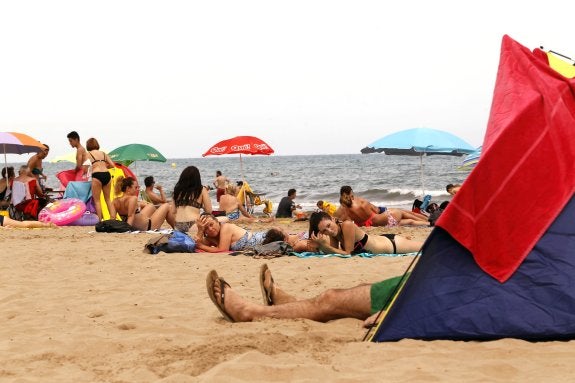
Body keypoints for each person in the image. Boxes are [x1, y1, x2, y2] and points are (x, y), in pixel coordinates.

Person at [206, 264, 405, 326]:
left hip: (419, 292)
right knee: (361, 289)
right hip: (422, 283)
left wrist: (395, 310)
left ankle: (250, 313)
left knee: (331, 299)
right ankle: (290, 303)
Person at [308, 211, 423, 255]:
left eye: (328, 225)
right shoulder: (335, 233)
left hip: (393, 244)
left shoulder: (347, 225)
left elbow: (348, 253)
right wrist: (320, 245)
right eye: (324, 231)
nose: (329, 230)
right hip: (381, 240)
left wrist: (324, 246)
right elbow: (334, 253)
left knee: (427, 246)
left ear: (333, 219)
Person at [336, 186, 429, 227]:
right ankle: (429, 221)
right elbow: (376, 211)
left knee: (410, 222)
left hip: (385, 225)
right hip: (386, 217)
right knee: (408, 214)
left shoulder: (344, 211)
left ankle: (429, 224)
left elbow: (342, 220)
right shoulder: (360, 202)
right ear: (350, 193)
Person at [194, 213, 267, 252]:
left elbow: (222, 249)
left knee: (277, 233)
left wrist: (201, 246)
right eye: (206, 228)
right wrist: (200, 229)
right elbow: (196, 245)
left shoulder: (225, 227)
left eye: (211, 224)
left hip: (262, 238)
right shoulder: (210, 237)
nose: (210, 229)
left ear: (217, 221)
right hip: (262, 243)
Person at [171, 165, 212, 233]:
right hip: (194, 224)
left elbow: (173, 211)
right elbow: (209, 211)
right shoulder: (201, 189)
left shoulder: (176, 191)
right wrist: (201, 206)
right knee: (225, 219)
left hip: (178, 224)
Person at [86, 138, 117, 220]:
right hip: (107, 174)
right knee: (108, 199)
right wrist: (104, 166)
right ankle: (113, 218)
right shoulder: (103, 153)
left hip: (97, 175)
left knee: (97, 200)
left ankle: (99, 220)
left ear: (88, 145)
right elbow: (112, 165)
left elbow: (85, 168)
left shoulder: (88, 154)